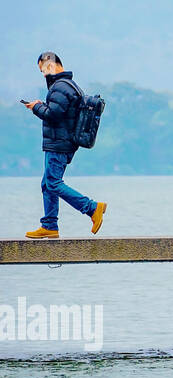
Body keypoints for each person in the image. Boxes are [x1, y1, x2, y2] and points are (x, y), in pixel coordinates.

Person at [22, 52, 107, 239]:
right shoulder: (68, 86)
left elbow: (53, 114)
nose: (43, 74)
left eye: (43, 69)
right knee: (47, 184)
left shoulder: (59, 87)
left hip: (58, 144)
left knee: (53, 183)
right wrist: (41, 105)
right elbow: (59, 111)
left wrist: (36, 107)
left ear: (51, 65)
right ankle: (50, 225)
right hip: (63, 142)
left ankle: (92, 208)